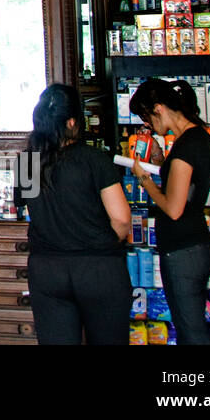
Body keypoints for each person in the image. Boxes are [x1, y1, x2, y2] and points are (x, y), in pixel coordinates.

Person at [18, 84, 132, 344]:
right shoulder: (95, 159)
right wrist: (99, 245)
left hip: (47, 270)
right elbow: (122, 219)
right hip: (97, 268)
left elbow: (29, 209)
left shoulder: (26, 163)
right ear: (72, 122)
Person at [129, 78, 210, 345]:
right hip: (194, 245)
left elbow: (174, 207)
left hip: (184, 252)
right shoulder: (196, 138)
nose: (148, 124)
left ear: (158, 108)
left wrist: (143, 180)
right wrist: (158, 160)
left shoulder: (186, 146)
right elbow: (186, 189)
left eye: (146, 116)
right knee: (193, 325)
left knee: (191, 332)